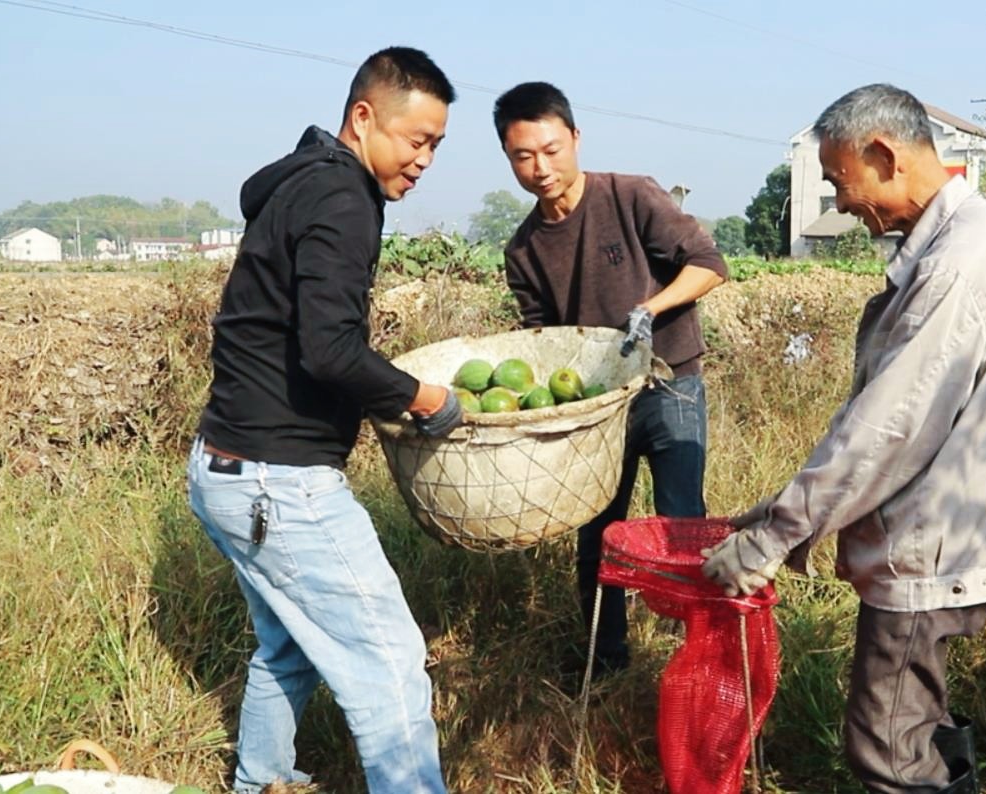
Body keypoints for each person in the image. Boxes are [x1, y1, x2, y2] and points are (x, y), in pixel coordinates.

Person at [702, 83, 986, 794]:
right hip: (958, 527)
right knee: (918, 715)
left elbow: (888, 428)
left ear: (884, 155)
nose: (841, 203)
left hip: (936, 545)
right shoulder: (962, 241)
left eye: (841, 181)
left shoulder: (958, 263)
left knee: (888, 748)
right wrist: (779, 509)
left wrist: (774, 539)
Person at [187, 47, 461, 793]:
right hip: (278, 481)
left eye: (436, 145)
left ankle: (261, 782)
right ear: (364, 118)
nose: (425, 160)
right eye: (417, 140)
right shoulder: (342, 196)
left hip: (225, 465)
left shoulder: (301, 181)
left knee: (289, 647)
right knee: (390, 663)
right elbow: (332, 351)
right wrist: (423, 398)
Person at [493, 81, 728, 674]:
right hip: (597, 408)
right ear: (508, 157)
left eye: (552, 150)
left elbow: (709, 265)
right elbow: (542, 344)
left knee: (682, 525)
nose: (541, 168)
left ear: (575, 138)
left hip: (669, 384)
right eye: (524, 156)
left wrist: (650, 309)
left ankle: (700, 660)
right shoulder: (523, 250)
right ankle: (606, 661)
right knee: (598, 533)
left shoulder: (631, 195)